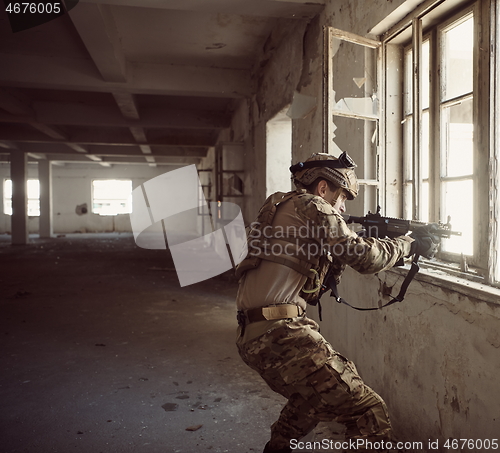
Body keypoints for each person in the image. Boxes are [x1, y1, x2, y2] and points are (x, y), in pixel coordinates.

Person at [234, 152, 440, 453]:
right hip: (279, 332)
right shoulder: (313, 205)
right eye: (341, 198)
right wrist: (409, 245)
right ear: (322, 189)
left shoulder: (280, 205)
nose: (342, 208)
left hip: (253, 334)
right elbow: (364, 258)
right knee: (369, 409)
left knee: (313, 398)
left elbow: (313, 278)